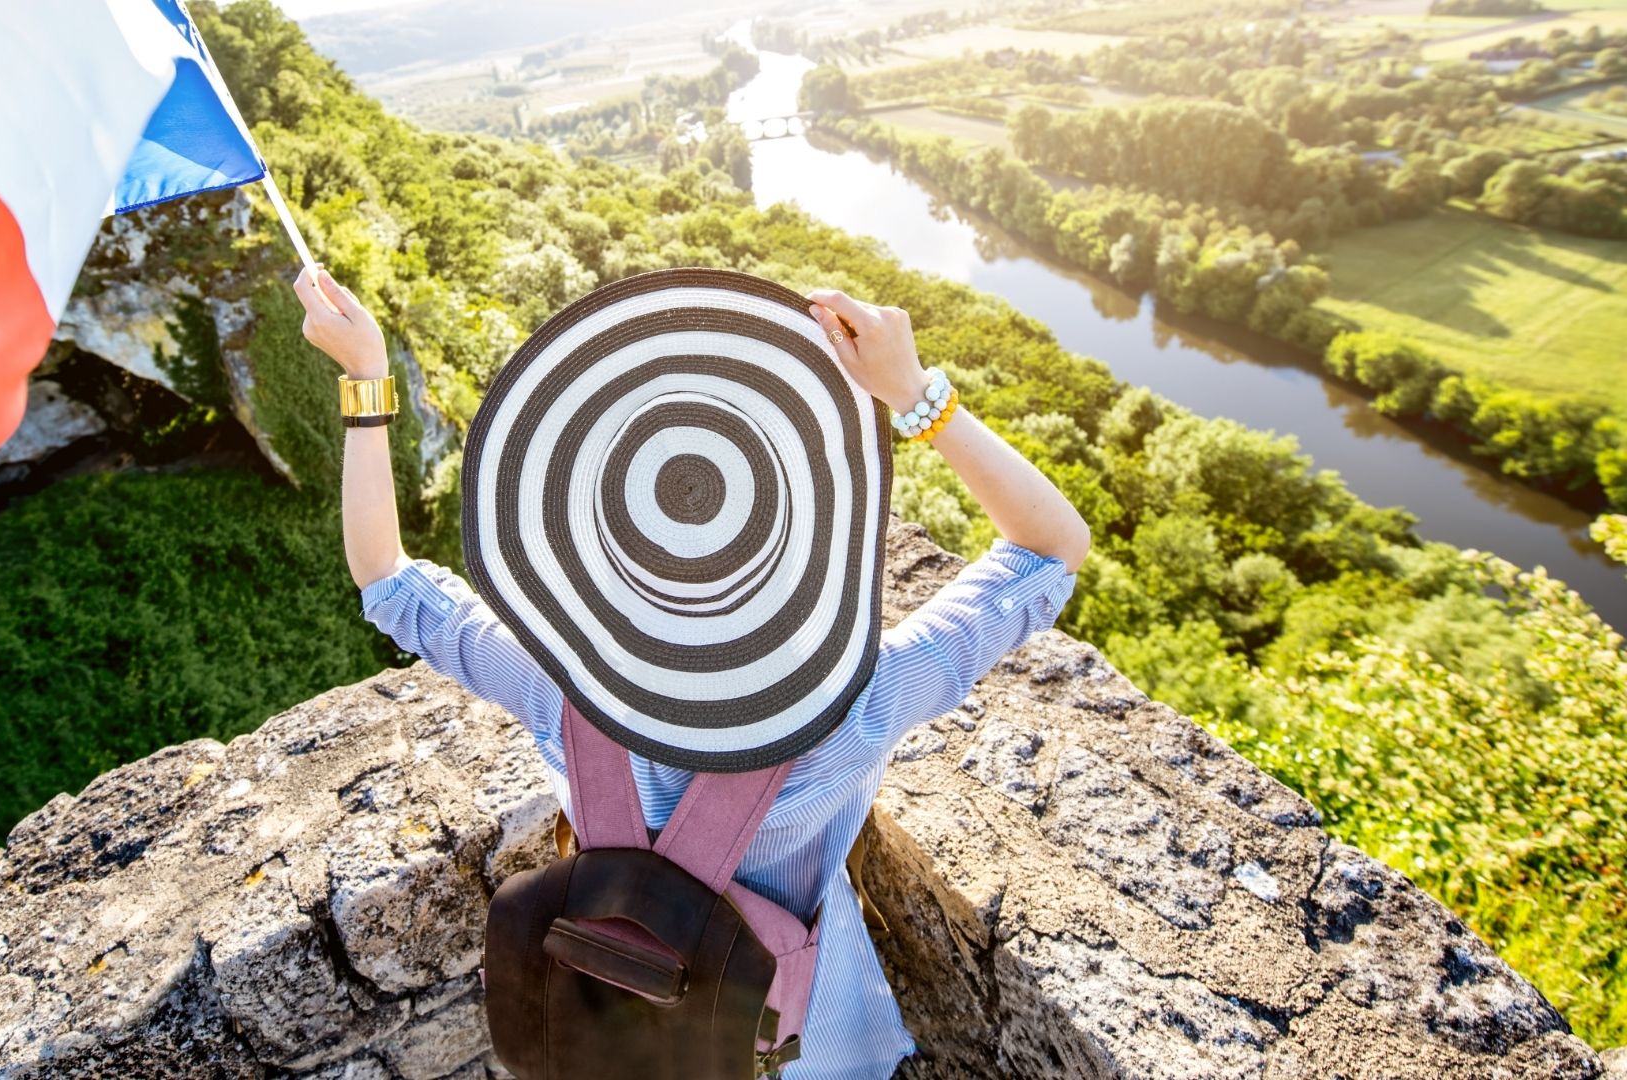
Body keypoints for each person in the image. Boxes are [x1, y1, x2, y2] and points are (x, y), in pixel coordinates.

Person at [293, 266, 1090, 1079]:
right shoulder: (859, 707)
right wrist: (917, 395)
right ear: (805, 551)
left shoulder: (558, 688)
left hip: (617, 1028)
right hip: (786, 1035)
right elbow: (1052, 549)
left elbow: (386, 581)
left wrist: (366, 377)